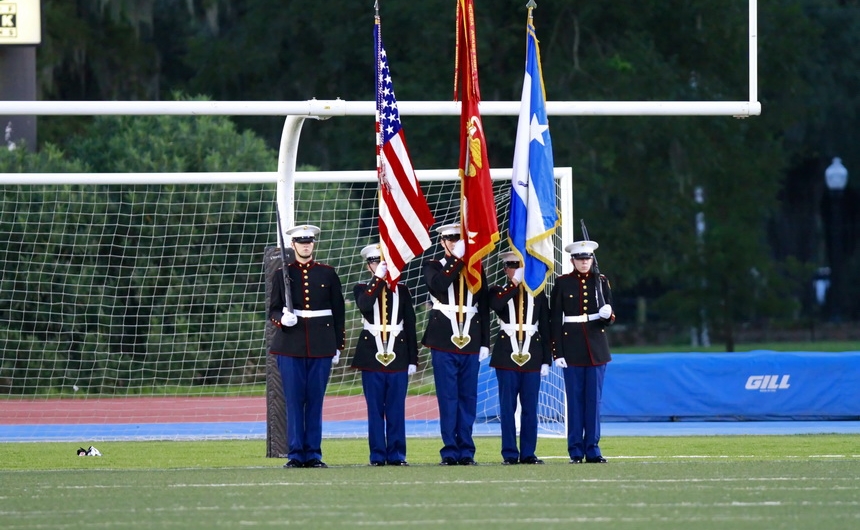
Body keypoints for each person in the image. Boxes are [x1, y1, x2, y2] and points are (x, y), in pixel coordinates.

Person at [268, 224, 345, 469]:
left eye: (309, 241)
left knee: (314, 401)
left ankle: (313, 454)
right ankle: (295, 454)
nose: (305, 245)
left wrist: (338, 345)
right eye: (301, 242)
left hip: (321, 345)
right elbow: (273, 309)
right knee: (293, 401)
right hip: (290, 344)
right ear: (293, 245)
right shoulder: (282, 274)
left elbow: (338, 311)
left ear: (313, 244)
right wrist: (282, 319)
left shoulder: (327, 273)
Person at [422, 223, 490, 466]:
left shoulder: (475, 267)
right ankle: (450, 449)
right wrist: (456, 260)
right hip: (443, 338)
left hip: (471, 338)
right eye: (449, 239)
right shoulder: (432, 265)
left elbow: (483, 306)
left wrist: (485, 342)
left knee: (468, 397)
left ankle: (467, 450)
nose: (453, 242)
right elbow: (439, 285)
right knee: (448, 397)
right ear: (442, 242)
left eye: (457, 238)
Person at [352, 243, 419, 467]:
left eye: (382, 261)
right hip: (371, 355)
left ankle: (397, 454)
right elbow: (365, 305)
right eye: (374, 261)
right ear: (368, 266)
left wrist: (412, 359)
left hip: (398, 353)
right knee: (375, 409)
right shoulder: (361, 288)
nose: (378, 264)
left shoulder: (402, 290)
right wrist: (378, 279)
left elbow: (410, 325)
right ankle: (377, 455)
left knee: (396, 408)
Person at [550, 240, 614, 464]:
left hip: (596, 348)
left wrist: (607, 315)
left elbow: (609, 317)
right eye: (580, 259)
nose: (584, 262)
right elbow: (555, 319)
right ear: (572, 261)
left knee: (593, 401)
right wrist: (557, 352)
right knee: (575, 402)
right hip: (572, 347)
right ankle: (576, 450)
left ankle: (593, 449)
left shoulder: (601, 281)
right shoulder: (563, 283)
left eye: (587, 259)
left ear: (592, 260)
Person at [488, 251, 551, 465]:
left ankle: (528, 452)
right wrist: (514, 282)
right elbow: (496, 304)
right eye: (513, 265)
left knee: (530, 407)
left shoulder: (538, 293)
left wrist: (546, 359)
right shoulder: (498, 290)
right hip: (506, 354)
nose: (518, 269)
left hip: (533, 354)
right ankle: (509, 453)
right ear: (506, 269)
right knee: (507, 407)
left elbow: (545, 327)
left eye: (521, 265)